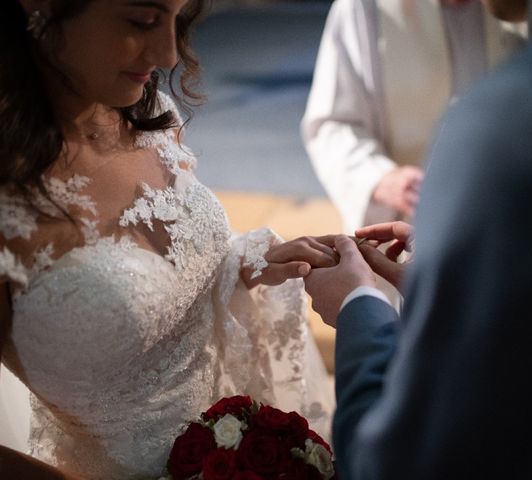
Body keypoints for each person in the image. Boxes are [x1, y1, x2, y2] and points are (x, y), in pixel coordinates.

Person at [0, 1, 336, 478]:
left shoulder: (146, 109)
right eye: (142, 21)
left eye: (177, 20)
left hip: (248, 432)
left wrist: (243, 263)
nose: (169, 55)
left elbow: (167, 272)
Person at [305, 0, 532, 477]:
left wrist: (358, 307)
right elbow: (331, 122)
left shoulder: (521, 114)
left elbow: (412, 460)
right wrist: (380, 179)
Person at [301, 0, 524, 234]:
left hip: (507, 223)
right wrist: (379, 178)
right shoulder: (364, 5)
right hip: (409, 229)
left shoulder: (527, 8)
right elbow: (334, 123)